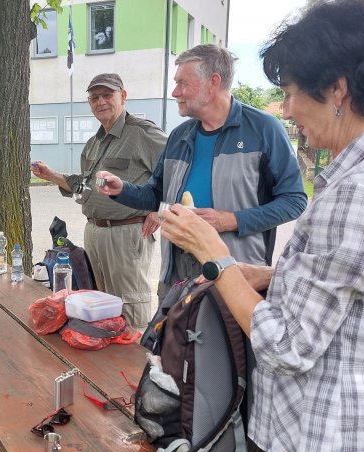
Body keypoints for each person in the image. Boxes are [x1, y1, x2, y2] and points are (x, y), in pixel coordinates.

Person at [158, 0, 364, 452]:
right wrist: (269, 276)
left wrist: (216, 254)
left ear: (339, 90)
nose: (288, 106)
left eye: (294, 90)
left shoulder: (360, 189)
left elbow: (288, 343)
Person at [96, 44, 307, 302]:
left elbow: (294, 201)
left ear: (213, 83)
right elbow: (155, 195)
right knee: (168, 341)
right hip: (176, 275)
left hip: (236, 273)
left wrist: (230, 220)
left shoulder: (264, 129)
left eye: (182, 83)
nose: (175, 92)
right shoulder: (178, 136)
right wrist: (122, 190)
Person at [31, 73, 167, 328]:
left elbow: (177, 170)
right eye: (95, 97)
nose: (101, 101)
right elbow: (84, 186)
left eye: (107, 95)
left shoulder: (142, 133)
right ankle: (110, 366)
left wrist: (159, 209)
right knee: (103, 307)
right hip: (95, 231)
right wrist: (51, 176)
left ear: (123, 96)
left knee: (130, 307)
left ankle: (135, 363)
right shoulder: (94, 143)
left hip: (127, 233)